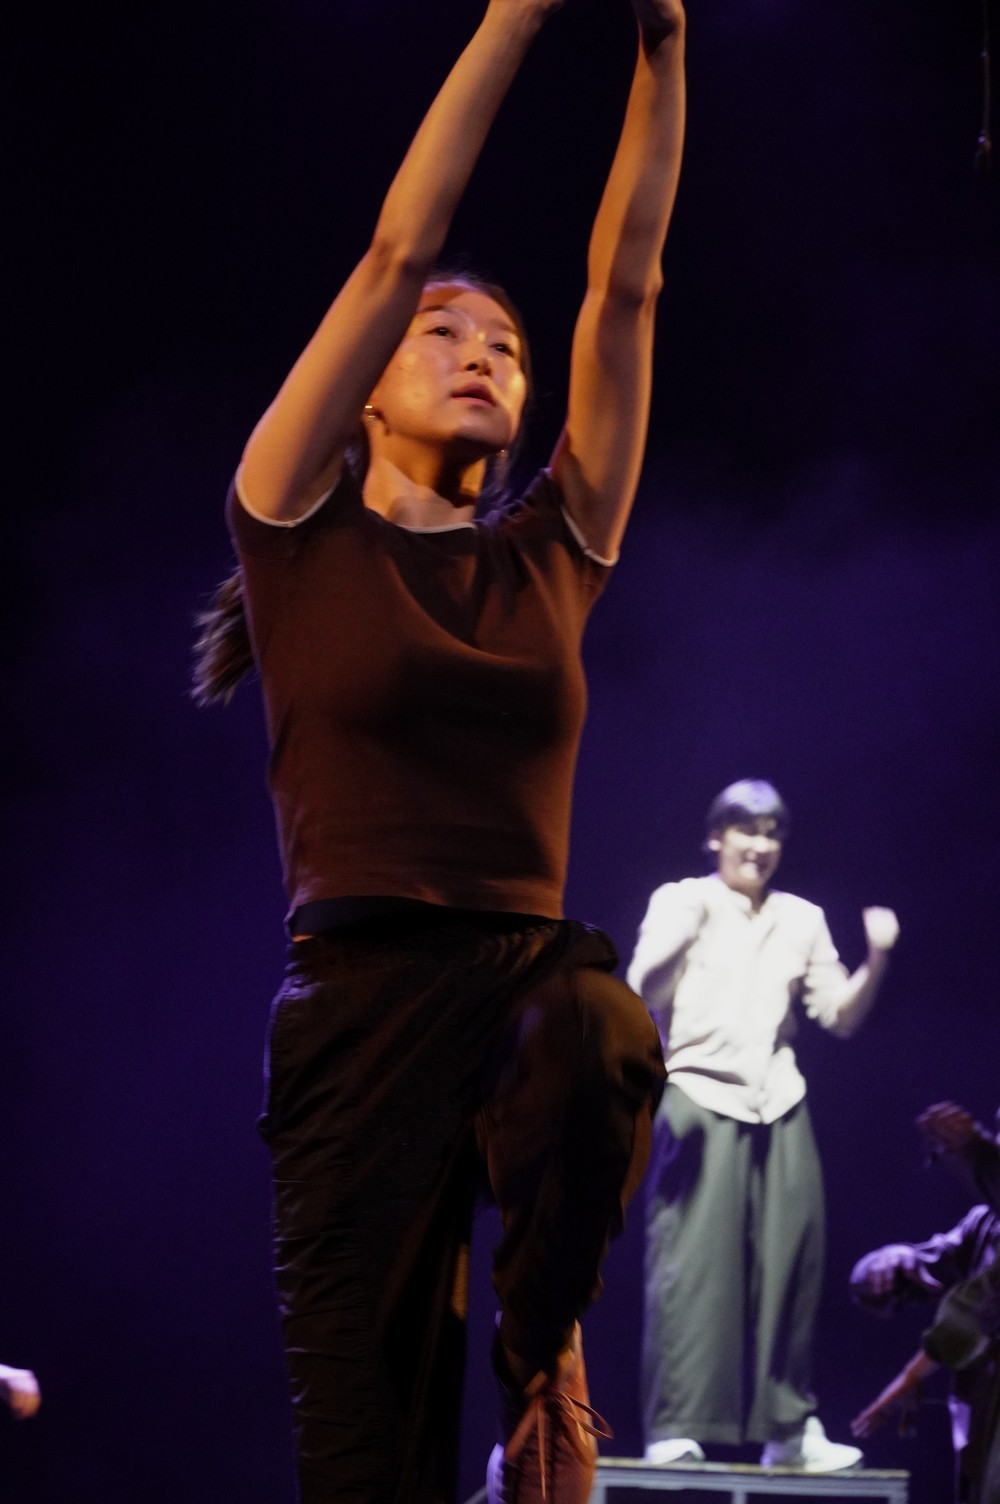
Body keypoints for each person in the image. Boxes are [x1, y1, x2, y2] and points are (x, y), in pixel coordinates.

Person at [192, 1, 686, 1501]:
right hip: (359, 1012)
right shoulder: (292, 523)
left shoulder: (554, 551)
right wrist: (516, 18)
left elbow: (626, 289)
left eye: (507, 349)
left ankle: (538, 1359)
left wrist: (663, 48)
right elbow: (395, 250)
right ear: (366, 388)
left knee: (599, 1026)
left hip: (524, 985)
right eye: (445, 337)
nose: (483, 356)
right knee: (367, 1465)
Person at [627, 777, 899, 1472]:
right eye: (746, 830)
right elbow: (640, 991)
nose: (760, 845)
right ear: (716, 837)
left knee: (793, 1261)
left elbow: (839, 1016)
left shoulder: (801, 918)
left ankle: (789, 1429)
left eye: (772, 834)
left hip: (779, 1100)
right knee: (692, 1267)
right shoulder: (681, 900)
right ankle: (678, 1426)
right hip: (697, 1095)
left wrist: (877, 959)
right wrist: (682, 935)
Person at [851, 1102, 1000, 1504]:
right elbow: (923, 1267)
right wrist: (886, 1264)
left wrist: (975, 1151)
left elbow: (970, 1315)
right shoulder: (984, 1224)